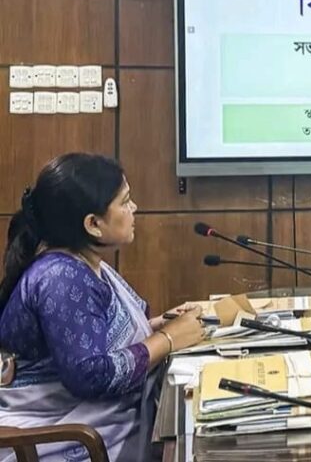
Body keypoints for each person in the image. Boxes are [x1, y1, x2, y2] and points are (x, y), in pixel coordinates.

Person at [0, 153, 205, 461]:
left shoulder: (82, 261)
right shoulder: (60, 277)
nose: (134, 208)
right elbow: (91, 376)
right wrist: (168, 339)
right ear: (93, 224)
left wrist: (161, 324)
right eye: (125, 202)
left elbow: (95, 337)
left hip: (92, 426)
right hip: (60, 438)